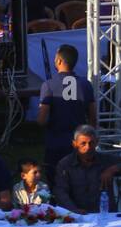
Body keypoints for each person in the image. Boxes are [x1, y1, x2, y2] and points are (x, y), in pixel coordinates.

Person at [37, 44, 95, 181]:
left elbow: (41, 120)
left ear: (59, 61)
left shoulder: (48, 85)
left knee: (55, 179)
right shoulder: (86, 84)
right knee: (77, 180)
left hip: (55, 142)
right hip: (79, 142)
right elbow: (93, 117)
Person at [53, 125, 120, 213]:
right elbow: (60, 191)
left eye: (91, 143)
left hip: (105, 215)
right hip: (77, 216)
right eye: (83, 143)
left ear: (97, 142)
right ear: (74, 144)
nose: (88, 147)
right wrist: (73, 210)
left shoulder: (106, 160)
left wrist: (113, 169)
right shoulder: (65, 164)